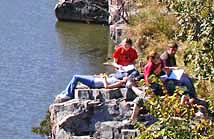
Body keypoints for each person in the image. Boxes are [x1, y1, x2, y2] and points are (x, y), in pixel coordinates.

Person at [55, 71, 139, 102]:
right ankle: (66, 92)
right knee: (76, 77)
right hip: (95, 79)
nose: (126, 75)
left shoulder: (120, 83)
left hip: (94, 83)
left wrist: (103, 79)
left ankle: (68, 95)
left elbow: (107, 86)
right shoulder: (118, 78)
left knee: (76, 77)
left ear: (128, 80)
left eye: (128, 76)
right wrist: (101, 76)